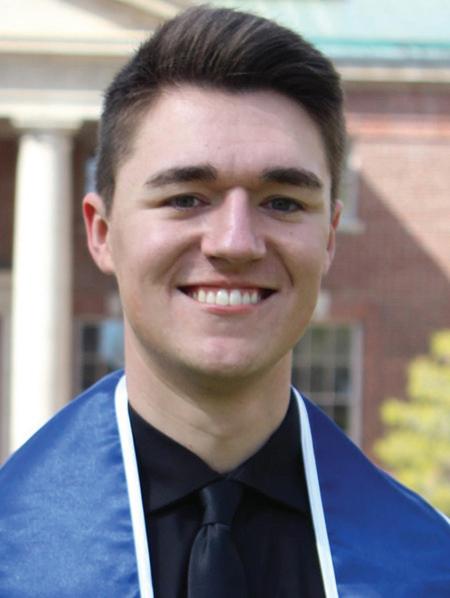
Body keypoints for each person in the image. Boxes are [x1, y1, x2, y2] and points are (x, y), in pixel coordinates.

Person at [0, 6, 449, 597]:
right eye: (186, 198)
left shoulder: (430, 566)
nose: (235, 243)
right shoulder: (13, 551)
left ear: (329, 238)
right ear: (102, 233)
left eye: (282, 202)